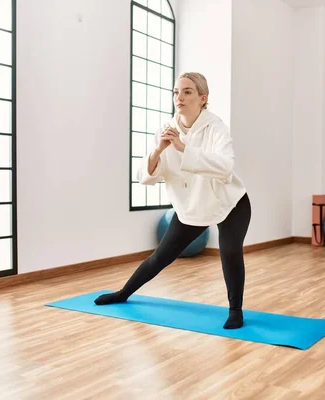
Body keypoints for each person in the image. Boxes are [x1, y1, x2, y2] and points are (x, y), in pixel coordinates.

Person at [94, 72, 251, 329]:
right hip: (191, 206)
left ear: (203, 98)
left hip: (230, 203)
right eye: (176, 92)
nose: (180, 97)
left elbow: (225, 167)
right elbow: (147, 177)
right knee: (160, 257)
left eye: (187, 92)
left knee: (230, 252)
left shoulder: (216, 127)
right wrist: (159, 150)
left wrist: (182, 148)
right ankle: (123, 293)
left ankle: (236, 310)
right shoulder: (165, 129)